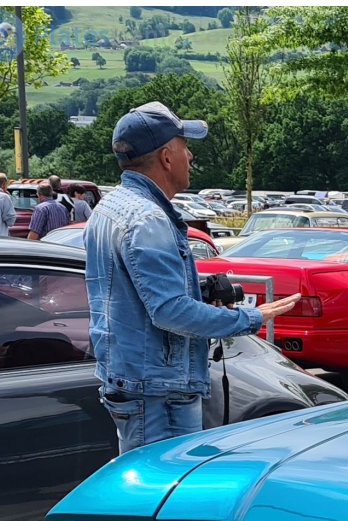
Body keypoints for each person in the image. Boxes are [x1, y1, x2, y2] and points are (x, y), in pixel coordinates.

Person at [85, 100, 300, 453]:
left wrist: (193, 292)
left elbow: (134, 296)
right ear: (167, 157)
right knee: (159, 499)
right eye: (186, 148)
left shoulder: (110, 208)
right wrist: (251, 316)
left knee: (149, 495)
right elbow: (169, 312)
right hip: (159, 391)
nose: (191, 158)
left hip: (137, 381)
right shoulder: (148, 219)